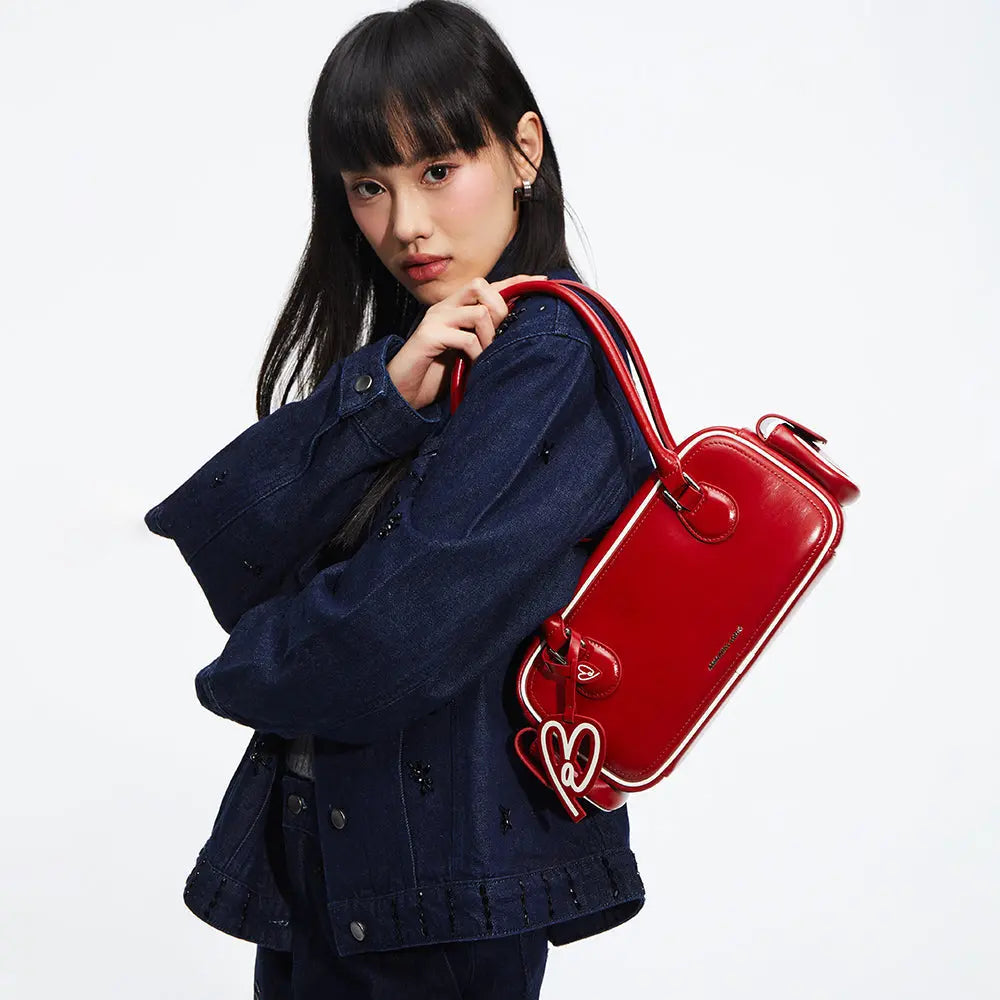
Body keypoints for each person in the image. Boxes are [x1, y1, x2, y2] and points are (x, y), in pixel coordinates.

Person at [144, 1, 653, 996]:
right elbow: (225, 546)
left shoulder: (550, 359)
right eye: (368, 187)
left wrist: (238, 674)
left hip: (433, 905)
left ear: (523, 150)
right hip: (330, 863)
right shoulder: (429, 357)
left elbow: (393, 633)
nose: (406, 224)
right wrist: (377, 399)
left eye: (437, 170)